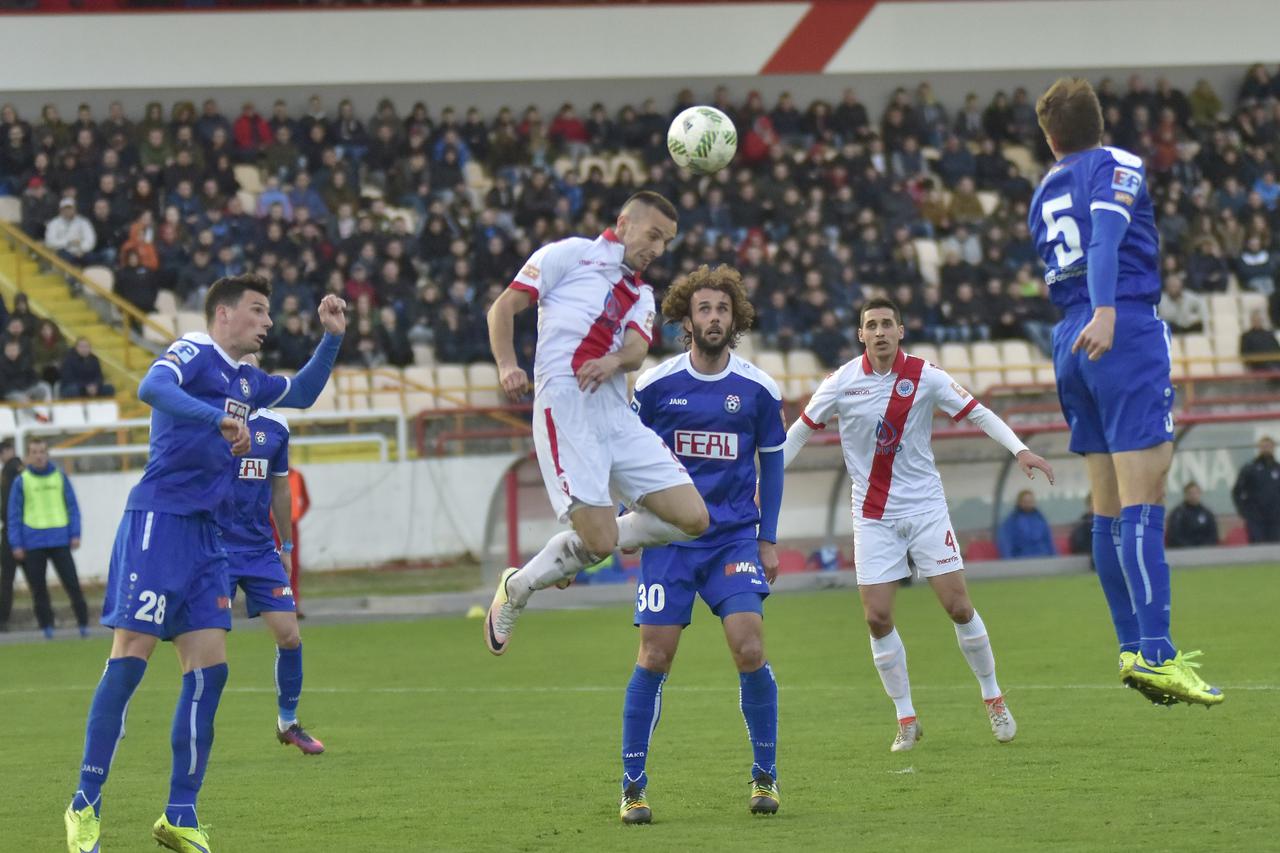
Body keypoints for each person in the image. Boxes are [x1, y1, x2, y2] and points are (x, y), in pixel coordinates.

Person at [63, 275, 346, 853]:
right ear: (223, 314)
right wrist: (214, 419)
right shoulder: (194, 350)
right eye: (257, 310)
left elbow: (306, 391)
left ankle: (180, 816)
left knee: (209, 673)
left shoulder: (249, 380)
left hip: (209, 539)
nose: (267, 322)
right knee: (131, 660)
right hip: (159, 524)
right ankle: (85, 804)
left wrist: (333, 338)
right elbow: (151, 387)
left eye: (269, 312)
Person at [782, 297, 1054, 751]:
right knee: (877, 616)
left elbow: (978, 412)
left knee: (959, 608)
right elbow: (800, 432)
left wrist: (1020, 449)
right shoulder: (840, 383)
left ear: (901, 331)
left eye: (888, 323)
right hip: (872, 516)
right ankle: (906, 716)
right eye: (872, 324)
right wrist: (763, 483)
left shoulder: (925, 376)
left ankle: (993, 698)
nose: (881, 331)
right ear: (861, 334)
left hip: (926, 509)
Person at [1030, 77, 1221, 706]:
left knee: (1107, 505)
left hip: (1067, 340)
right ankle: (1158, 653)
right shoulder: (1118, 165)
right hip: (1120, 328)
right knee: (1147, 492)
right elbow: (1107, 237)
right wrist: (1108, 311)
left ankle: (1131, 649)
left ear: (1049, 136)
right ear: (1100, 124)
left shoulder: (1042, 191)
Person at [482, 191, 709, 655]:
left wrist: (612, 362)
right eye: (653, 235)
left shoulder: (641, 293)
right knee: (601, 543)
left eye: (666, 241)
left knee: (694, 518)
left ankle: (569, 553)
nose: (658, 249)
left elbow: (636, 350)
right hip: (566, 412)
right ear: (624, 223)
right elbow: (502, 308)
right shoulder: (567, 256)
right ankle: (520, 587)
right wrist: (507, 365)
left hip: (615, 418)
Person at [618, 265, 784, 824]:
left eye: (722, 309)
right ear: (686, 320)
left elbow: (773, 465)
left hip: (733, 539)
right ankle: (633, 787)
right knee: (654, 656)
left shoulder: (758, 390)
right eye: (704, 309)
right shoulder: (656, 387)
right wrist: (627, 520)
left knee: (750, 646)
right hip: (668, 541)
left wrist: (768, 538)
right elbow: (628, 456)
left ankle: (765, 776)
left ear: (734, 318)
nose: (714, 318)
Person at [217, 353, 323, 755]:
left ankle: (288, 722)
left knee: (290, 636)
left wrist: (287, 546)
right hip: (215, 547)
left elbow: (280, 488)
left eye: (254, 365)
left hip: (260, 547)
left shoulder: (277, 424)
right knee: (203, 642)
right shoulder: (212, 419)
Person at [6, 437, 89, 639]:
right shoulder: (22, 480)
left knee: (72, 584)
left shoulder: (60, 477)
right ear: (28, 456)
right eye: (34, 452)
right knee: (38, 589)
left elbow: (72, 507)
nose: (39, 456)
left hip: (60, 538)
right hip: (33, 541)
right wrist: (16, 543)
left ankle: (84, 625)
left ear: (47, 454)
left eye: (42, 451)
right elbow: (14, 514)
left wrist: (75, 533)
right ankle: (46, 628)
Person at [1231, 436, 1280, 543]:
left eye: (1268, 446)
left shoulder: (1278, 468)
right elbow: (1237, 492)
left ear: (1273, 448)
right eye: (1263, 446)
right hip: (1256, 519)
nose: (1266, 449)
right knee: (1258, 546)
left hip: (1276, 518)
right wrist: (1243, 511)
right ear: (1259, 448)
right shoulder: (1249, 469)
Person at [0, 439, 23, 632]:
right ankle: (45, 620)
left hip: (12, 531)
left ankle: (3, 619)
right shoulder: (22, 470)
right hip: (27, 531)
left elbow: (7, 505)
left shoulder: (9, 471)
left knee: (7, 578)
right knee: (35, 579)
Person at [996, 489, 1057, 558]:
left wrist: (1055, 559)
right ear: (1019, 503)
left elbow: (1049, 541)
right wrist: (1009, 563)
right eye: (1025, 502)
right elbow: (1006, 544)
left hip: (1043, 557)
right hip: (1022, 559)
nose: (1028, 504)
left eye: (1030, 501)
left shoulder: (1041, 519)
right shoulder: (1011, 522)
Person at [285, 467, 310, 613]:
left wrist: (297, 516)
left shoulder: (297, 476)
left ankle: (294, 602)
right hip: (271, 526)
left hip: (290, 526)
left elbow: (306, 501)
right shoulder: (268, 474)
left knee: (292, 565)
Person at [1167, 481, 1220, 548]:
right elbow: (1174, 536)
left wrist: (1204, 547)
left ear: (1200, 494)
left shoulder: (1207, 513)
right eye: (1190, 493)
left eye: (1196, 493)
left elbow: (1213, 536)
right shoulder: (1178, 514)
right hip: (1183, 551)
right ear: (1185, 495)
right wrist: (1189, 548)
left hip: (1205, 551)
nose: (1193, 496)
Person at [44, 198, 96, 264]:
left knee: (92, 257)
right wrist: (68, 242)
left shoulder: (83, 221)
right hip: (63, 251)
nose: (68, 211)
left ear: (75, 209)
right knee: (65, 257)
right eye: (65, 209)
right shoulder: (54, 223)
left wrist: (82, 249)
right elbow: (49, 242)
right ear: (60, 210)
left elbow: (90, 239)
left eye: (70, 208)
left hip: (81, 251)